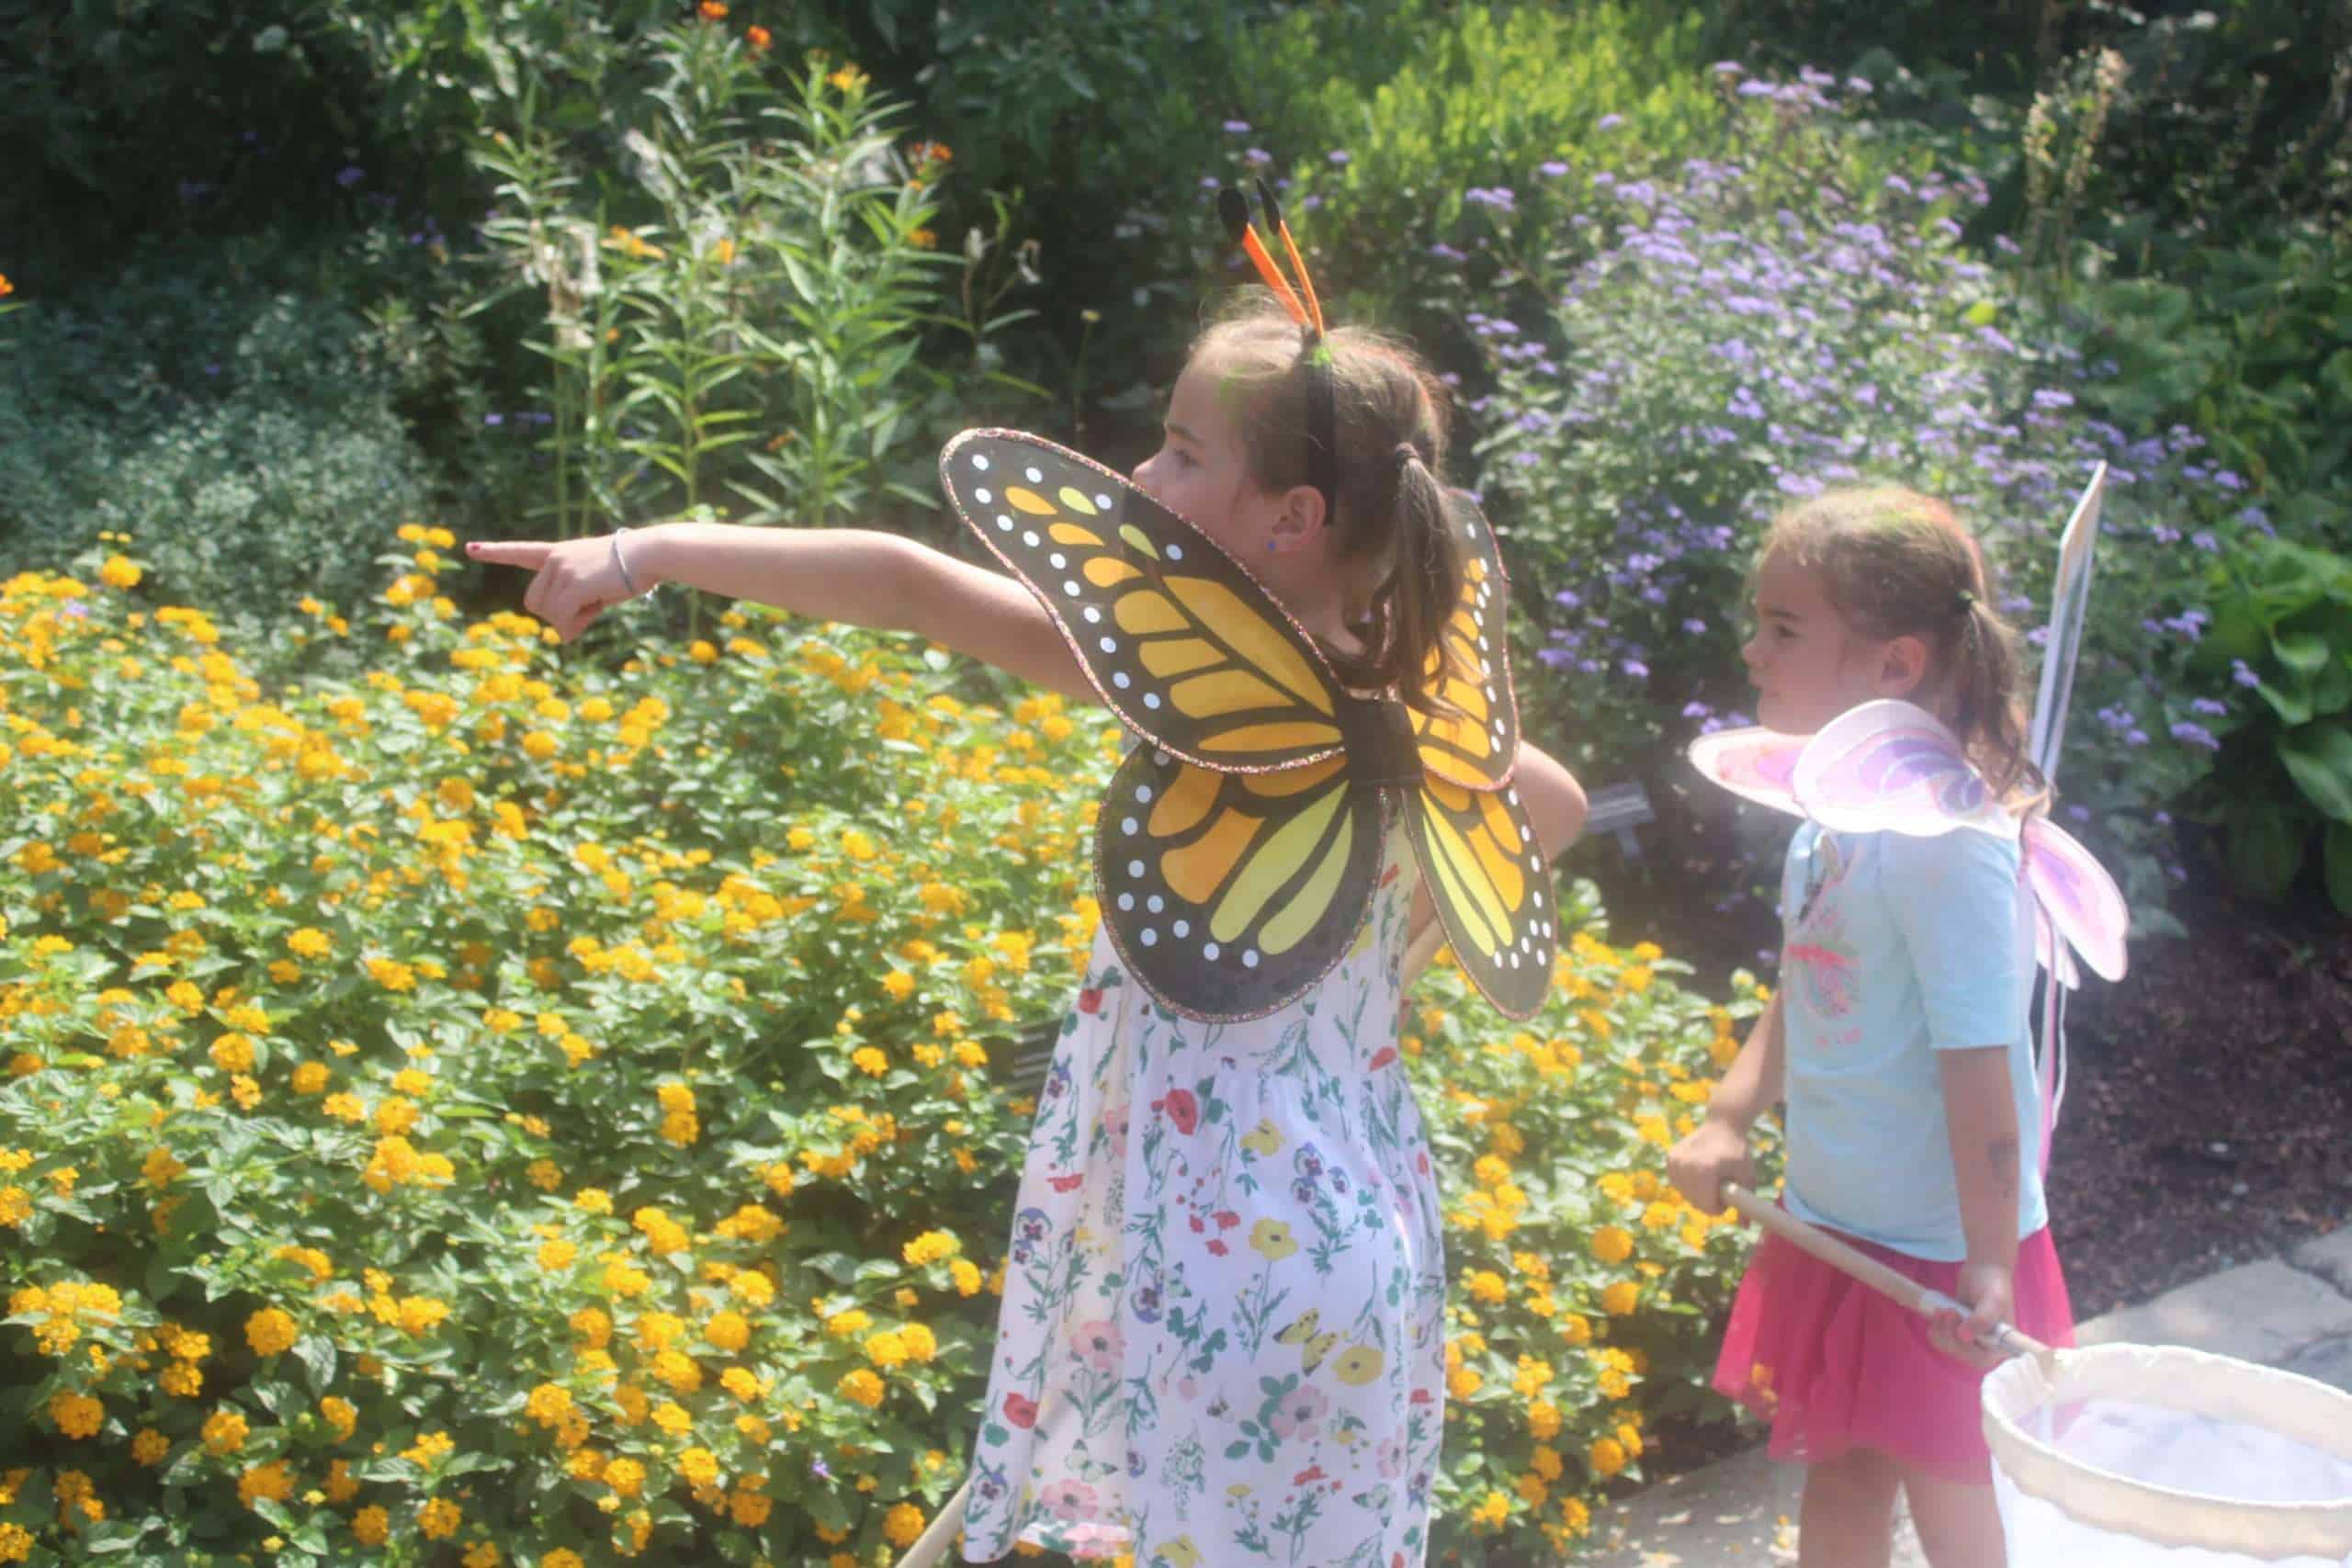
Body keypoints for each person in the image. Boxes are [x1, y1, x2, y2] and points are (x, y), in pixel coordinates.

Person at [470, 290, 1589, 1565]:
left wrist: (648, 547)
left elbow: (908, 584)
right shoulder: (1403, 719)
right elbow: (1547, 804)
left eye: (1181, 447)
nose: (1139, 470)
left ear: (1292, 516)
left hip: (1217, 1269)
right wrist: (1380, 957)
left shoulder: (1210, 700)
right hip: (1354, 1246)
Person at [1667, 488, 2078, 1568]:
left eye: (1785, 627)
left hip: (1942, 1257)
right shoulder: (1834, 825)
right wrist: (1726, 1116)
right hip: (1841, 1227)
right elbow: (1812, 984)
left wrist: (1988, 1263)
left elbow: (1981, 1066)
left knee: (1953, 1501)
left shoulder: (1946, 845)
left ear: (1893, 666)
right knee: (1841, 1472)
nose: (1751, 649)